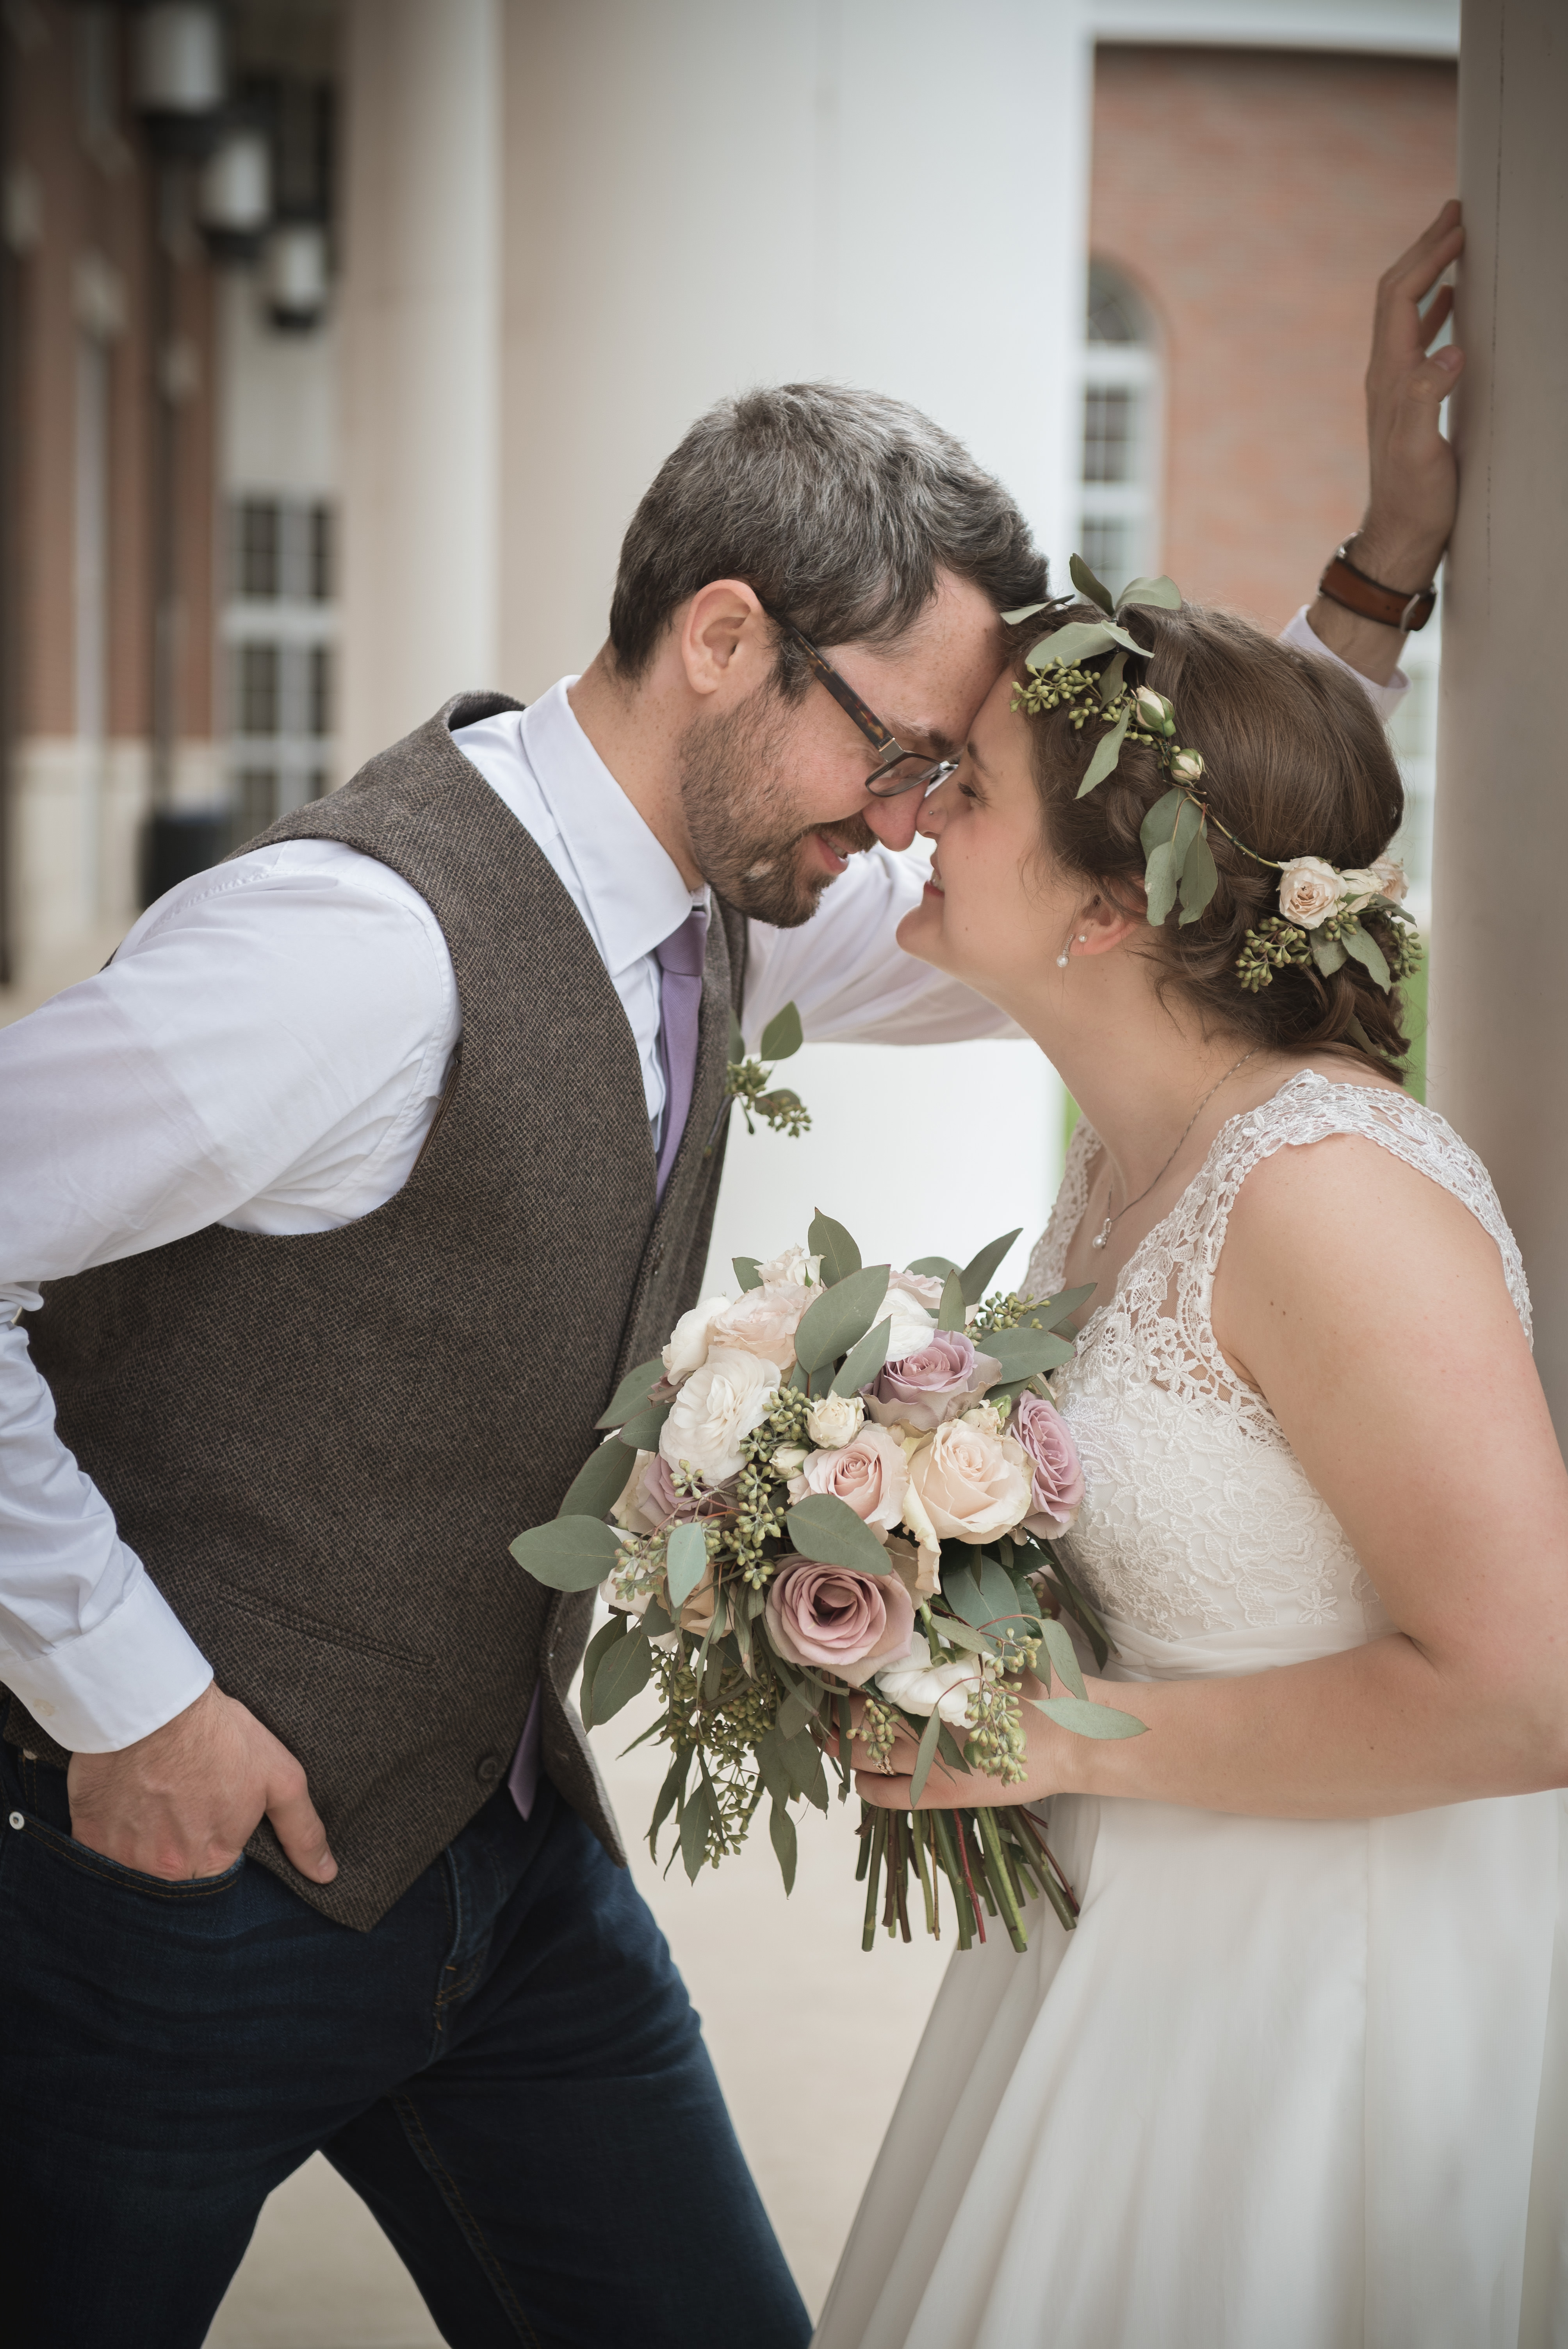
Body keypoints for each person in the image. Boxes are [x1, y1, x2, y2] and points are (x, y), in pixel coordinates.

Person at [0, 198, 1456, 2345]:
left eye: (942, 777)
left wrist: (1375, 589)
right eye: (898, 751)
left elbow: (1112, 900)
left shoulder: (736, 893)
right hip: (160, 1896)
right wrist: (121, 1696)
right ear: (718, 635)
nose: (912, 818)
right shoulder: (353, 956)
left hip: (502, 1874)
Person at [816, 236, 1566, 2349]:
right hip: (1128, 1938)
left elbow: (1536, 1693)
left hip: (1315, 1994)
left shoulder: (1326, 1194)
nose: (909, 812)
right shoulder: (1128, 1147)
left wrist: (1055, 1728)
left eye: (959, 786)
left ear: (1105, 920)